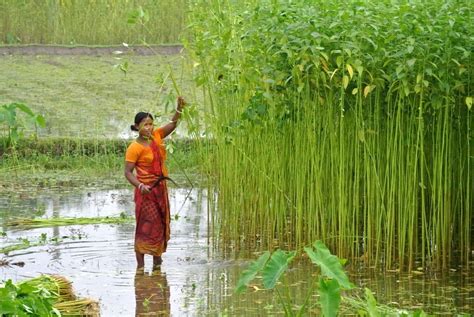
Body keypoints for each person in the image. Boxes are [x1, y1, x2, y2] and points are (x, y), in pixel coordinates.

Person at [125, 96, 185, 268]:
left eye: (151, 124)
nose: (149, 128)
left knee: (159, 225)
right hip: (146, 192)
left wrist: (179, 109)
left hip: (160, 190)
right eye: (145, 125)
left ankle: (157, 263)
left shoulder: (157, 136)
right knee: (145, 226)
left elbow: (173, 124)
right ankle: (140, 266)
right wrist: (140, 185)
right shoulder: (134, 148)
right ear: (137, 127)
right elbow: (127, 173)